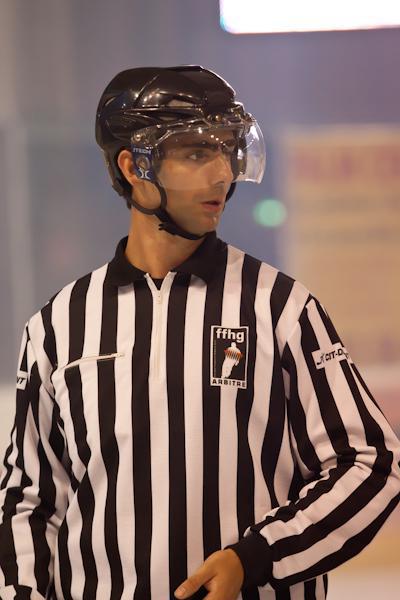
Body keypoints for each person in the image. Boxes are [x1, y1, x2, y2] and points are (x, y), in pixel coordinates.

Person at [0, 65, 399, 600]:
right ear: (133, 166)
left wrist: (257, 558)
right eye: (195, 153)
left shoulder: (280, 307)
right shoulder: (58, 324)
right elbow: (29, 501)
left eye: (226, 151)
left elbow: (372, 463)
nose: (221, 174)